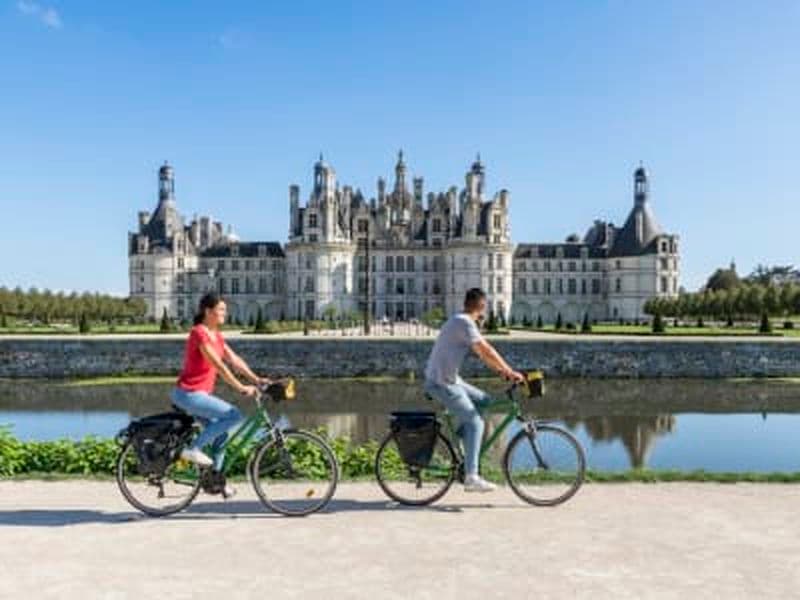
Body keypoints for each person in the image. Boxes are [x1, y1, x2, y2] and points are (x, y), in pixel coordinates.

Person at [424, 288, 525, 493]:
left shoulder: (460, 320)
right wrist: (509, 371)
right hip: (442, 382)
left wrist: (501, 371)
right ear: (480, 305)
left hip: (450, 379)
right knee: (476, 422)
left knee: (485, 401)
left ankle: (465, 436)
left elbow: (482, 354)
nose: (485, 311)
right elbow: (486, 349)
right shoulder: (464, 322)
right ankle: (472, 476)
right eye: (484, 307)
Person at [171, 292, 271, 496]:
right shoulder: (199, 333)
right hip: (189, 393)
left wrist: (256, 379)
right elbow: (219, 365)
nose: (225, 313)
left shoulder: (216, 335)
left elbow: (234, 360)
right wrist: (241, 387)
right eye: (221, 309)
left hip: (198, 395)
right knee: (234, 415)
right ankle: (193, 449)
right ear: (208, 311)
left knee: (221, 436)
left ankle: (216, 481)